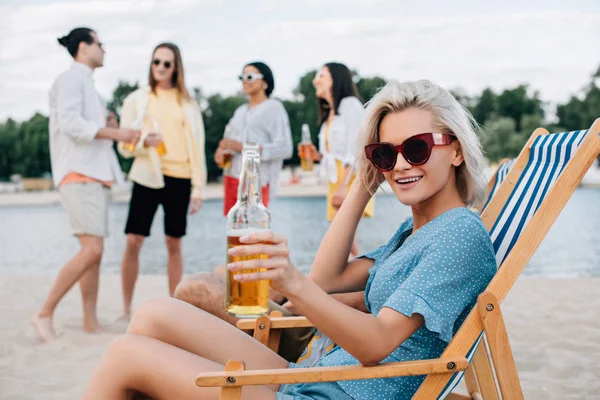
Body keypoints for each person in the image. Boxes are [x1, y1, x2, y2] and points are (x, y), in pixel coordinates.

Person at [82, 80, 497, 400]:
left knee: (125, 355)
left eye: (418, 149)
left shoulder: (459, 235)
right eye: (386, 155)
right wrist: (361, 184)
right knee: (155, 313)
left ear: (456, 151)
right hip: (318, 376)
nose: (401, 164)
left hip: (335, 391)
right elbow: (329, 279)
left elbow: (376, 344)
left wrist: (290, 282)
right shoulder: (416, 232)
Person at [31, 27, 141, 341]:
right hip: (78, 175)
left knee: (94, 252)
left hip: (95, 176)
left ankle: (90, 322)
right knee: (92, 251)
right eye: (99, 43)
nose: (104, 49)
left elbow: (92, 131)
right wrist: (115, 133)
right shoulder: (69, 80)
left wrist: (111, 129)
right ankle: (43, 313)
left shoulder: (93, 90)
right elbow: (70, 124)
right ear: (83, 47)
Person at [117, 42, 207, 319]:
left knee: (173, 243)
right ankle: (125, 308)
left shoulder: (188, 104)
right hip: (147, 176)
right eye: (156, 62)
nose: (160, 68)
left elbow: (198, 145)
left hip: (181, 178)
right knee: (133, 241)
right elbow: (124, 146)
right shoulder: (136, 99)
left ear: (175, 67)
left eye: (167, 63)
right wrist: (145, 141)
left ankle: (174, 307)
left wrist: (198, 188)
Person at [304, 62, 375, 258]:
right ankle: (350, 283)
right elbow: (333, 154)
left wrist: (344, 187)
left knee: (343, 238)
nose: (315, 80)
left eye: (321, 75)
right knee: (343, 238)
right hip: (335, 180)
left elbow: (356, 149)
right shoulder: (330, 113)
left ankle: (355, 282)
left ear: (336, 78)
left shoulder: (350, 105)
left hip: (349, 178)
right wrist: (315, 156)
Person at [215, 61, 293, 217]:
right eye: (242, 77)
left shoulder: (274, 108)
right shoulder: (239, 112)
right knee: (233, 236)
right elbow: (228, 142)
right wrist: (221, 151)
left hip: (256, 184)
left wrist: (243, 147)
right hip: (232, 180)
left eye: (249, 76)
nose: (244, 80)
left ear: (265, 81)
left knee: (253, 235)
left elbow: (285, 148)